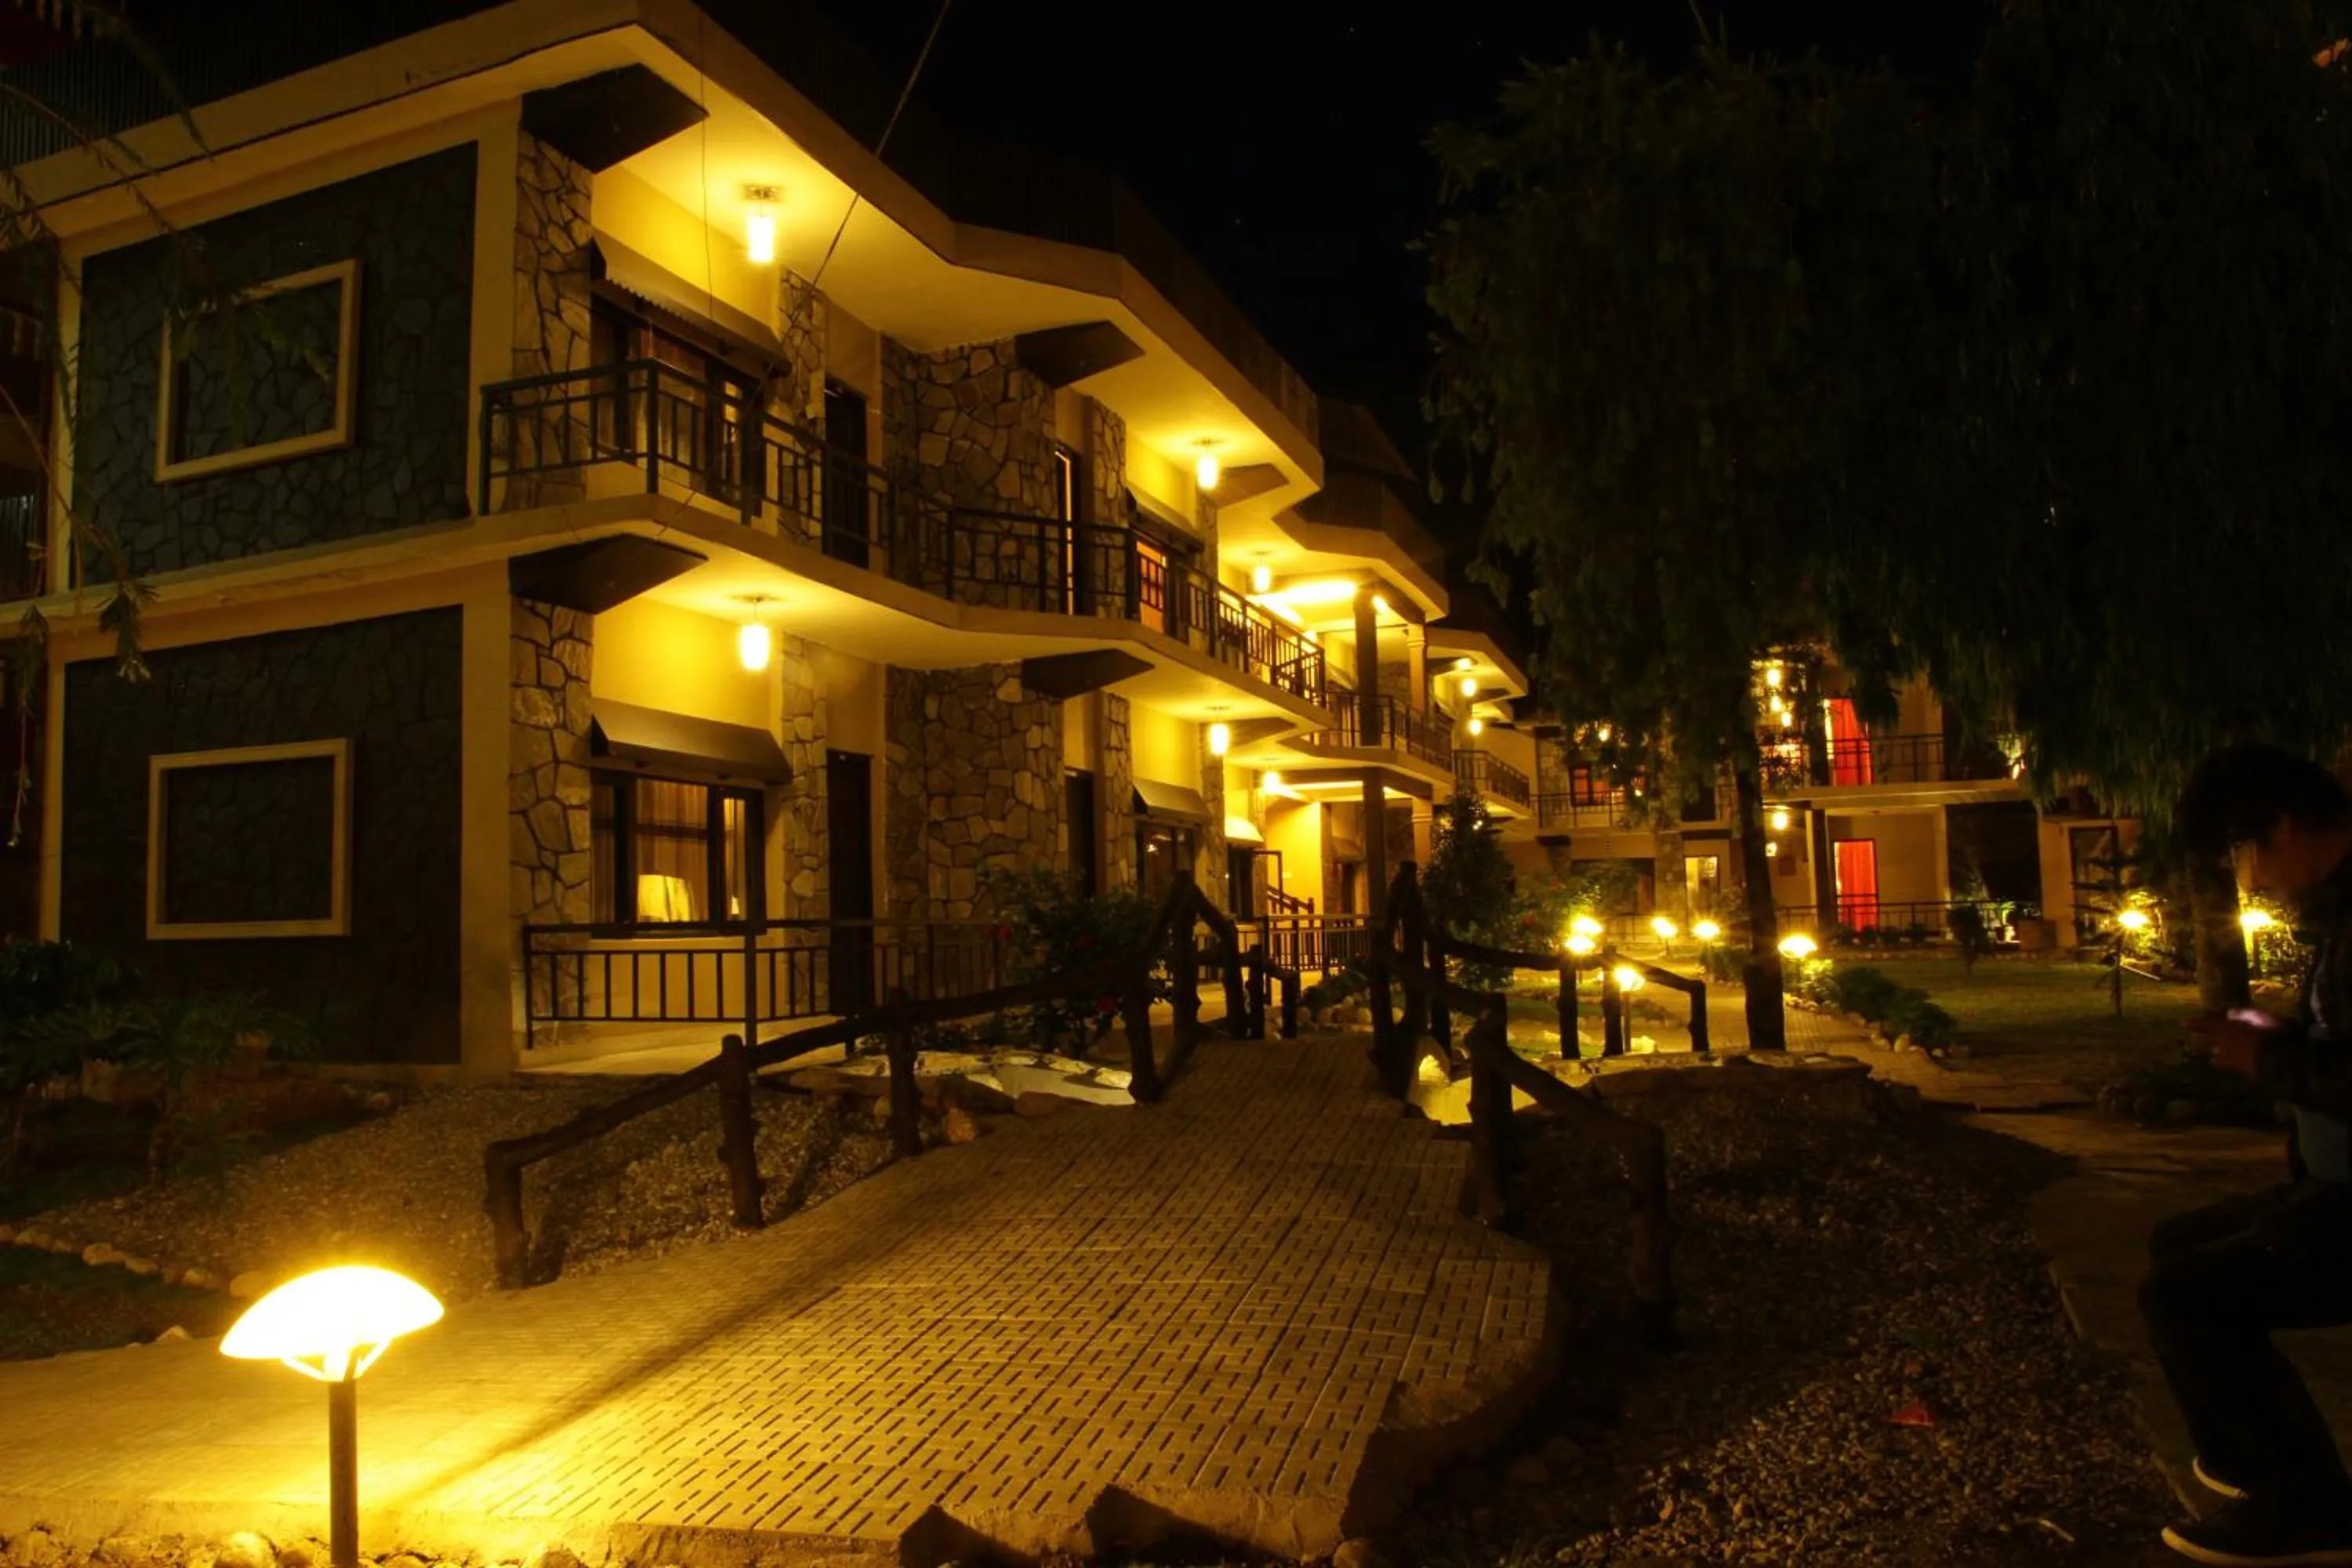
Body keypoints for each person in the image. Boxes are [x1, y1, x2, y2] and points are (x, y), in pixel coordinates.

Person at [2147, 742, 2352, 1566]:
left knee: (2186, 1296)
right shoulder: (2341, 915)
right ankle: (2252, 1461)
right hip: (2332, 1180)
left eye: (2248, 852)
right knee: (2176, 1247)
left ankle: (2308, 1506)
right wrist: (2278, 1036)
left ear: (2287, 826)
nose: (2254, 878)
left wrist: (2270, 1059)